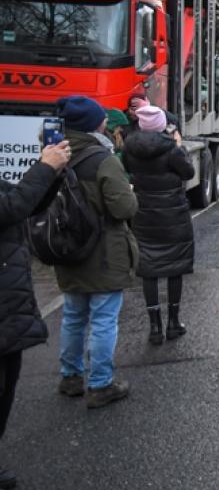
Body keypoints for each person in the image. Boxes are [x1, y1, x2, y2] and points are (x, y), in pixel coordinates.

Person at [52, 96, 138, 410]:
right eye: (101, 117)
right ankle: (101, 384)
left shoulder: (52, 155)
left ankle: (70, 377)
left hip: (67, 249)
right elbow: (123, 207)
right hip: (104, 251)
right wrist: (130, 194)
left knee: (73, 316)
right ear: (93, 124)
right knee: (103, 319)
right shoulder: (102, 159)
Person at [0, 139, 69, 490]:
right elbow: (11, 206)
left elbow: (23, 203)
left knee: (6, 389)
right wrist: (44, 168)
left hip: (7, 303)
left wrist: (53, 173)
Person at [122, 105, 195, 345]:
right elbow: (188, 173)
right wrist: (180, 146)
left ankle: (155, 326)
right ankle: (174, 322)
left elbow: (128, 173)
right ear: (162, 124)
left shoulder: (129, 149)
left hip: (144, 214)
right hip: (173, 215)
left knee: (149, 270)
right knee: (175, 267)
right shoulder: (171, 149)